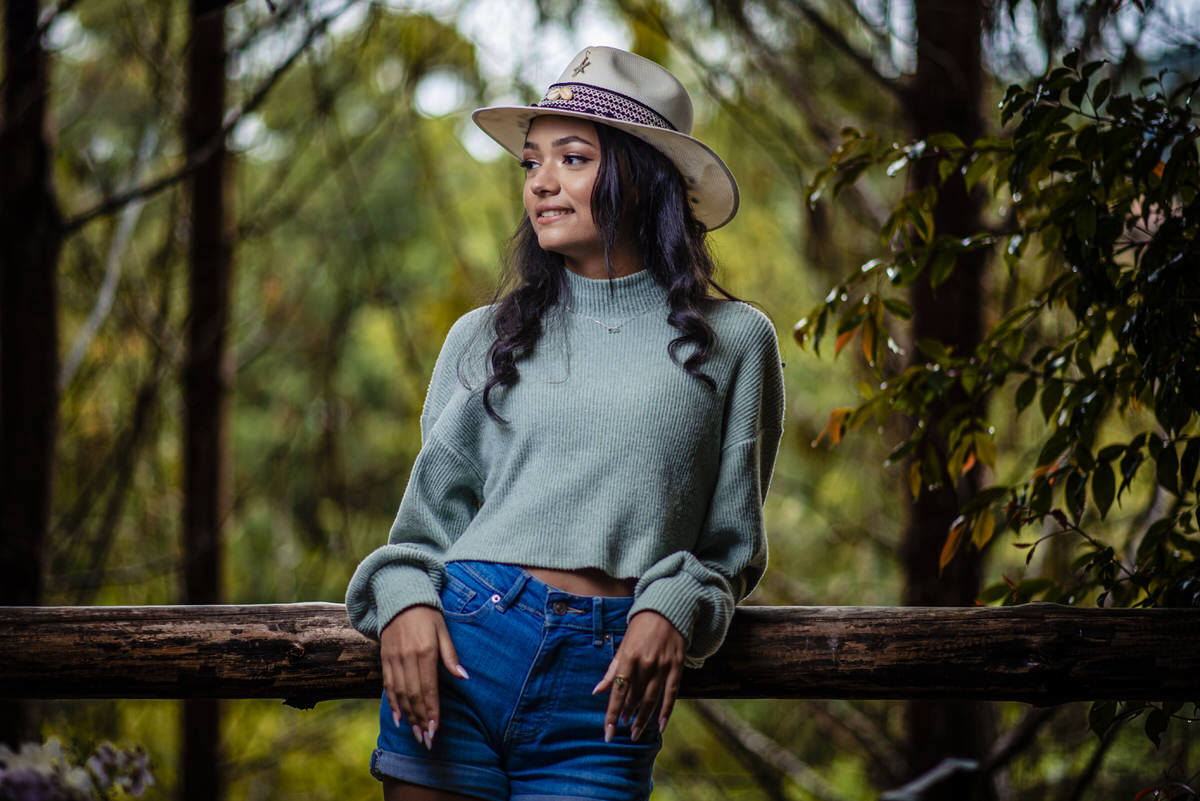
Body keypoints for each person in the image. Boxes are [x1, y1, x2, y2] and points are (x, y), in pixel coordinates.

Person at [346, 45, 785, 801]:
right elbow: (423, 530)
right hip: (461, 652)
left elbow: (728, 549)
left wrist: (675, 606)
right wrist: (408, 601)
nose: (541, 183)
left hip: (609, 689)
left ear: (643, 181)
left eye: (573, 159)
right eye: (531, 163)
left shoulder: (737, 340)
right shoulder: (482, 336)